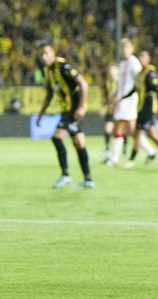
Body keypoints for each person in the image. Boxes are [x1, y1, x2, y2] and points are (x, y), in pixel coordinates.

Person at [36, 43, 95, 189]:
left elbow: (83, 84)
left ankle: (65, 175)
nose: (44, 57)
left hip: (73, 110)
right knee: (79, 143)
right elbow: (49, 94)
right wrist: (40, 114)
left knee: (56, 137)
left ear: (53, 53)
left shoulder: (63, 67)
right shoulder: (48, 71)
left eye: (47, 54)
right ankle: (88, 179)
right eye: (42, 54)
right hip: (66, 110)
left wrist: (81, 106)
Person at [124, 50, 158, 168]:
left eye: (144, 56)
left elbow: (157, 90)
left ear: (148, 59)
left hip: (148, 107)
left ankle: (131, 160)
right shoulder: (140, 74)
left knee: (138, 133)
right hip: (140, 107)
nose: (141, 58)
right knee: (152, 134)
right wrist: (121, 98)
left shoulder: (150, 73)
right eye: (140, 56)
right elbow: (135, 89)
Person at [105, 38, 141, 166]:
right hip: (122, 101)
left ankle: (114, 158)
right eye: (123, 47)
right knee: (129, 130)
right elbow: (120, 84)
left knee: (121, 127)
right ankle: (150, 151)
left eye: (127, 47)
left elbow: (138, 82)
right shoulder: (122, 64)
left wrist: (130, 96)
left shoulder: (134, 63)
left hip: (129, 100)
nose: (124, 50)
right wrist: (115, 96)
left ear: (132, 48)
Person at [100, 63, 119, 158]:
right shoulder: (107, 83)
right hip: (110, 111)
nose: (112, 72)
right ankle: (107, 148)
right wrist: (103, 107)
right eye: (111, 70)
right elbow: (105, 97)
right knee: (108, 129)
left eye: (114, 70)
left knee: (121, 131)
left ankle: (124, 150)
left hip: (120, 110)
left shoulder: (120, 82)